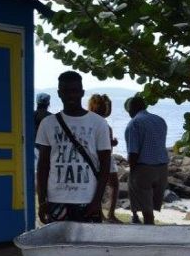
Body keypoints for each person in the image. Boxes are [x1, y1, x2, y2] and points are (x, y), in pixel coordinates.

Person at [36, 71, 112, 223]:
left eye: (75, 91)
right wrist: (42, 201)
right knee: (58, 245)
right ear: (59, 93)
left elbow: (105, 166)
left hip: (88, 199)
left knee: (88, 246)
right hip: (57, 200)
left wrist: (97, 201)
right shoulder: (48, 123)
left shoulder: (98, 123)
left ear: (82, 92)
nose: (70, 96)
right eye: (65, 91)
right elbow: (43, 166)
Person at [124, 95, 170, 225]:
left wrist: (132, 171)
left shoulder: (134, 123)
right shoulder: (160, 120)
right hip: (163, 168)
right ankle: (136, 218)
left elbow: (133, 152)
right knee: (150, 204)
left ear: (132, 109)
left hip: (145, 168)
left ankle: (143, 224)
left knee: (146, 209)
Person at [87, 93, 122, 223]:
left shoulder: (91, 121)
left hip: (96, 158)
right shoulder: (102, 123)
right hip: (105, 158)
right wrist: (113, 143)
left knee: (99, 186)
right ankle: (109, 214)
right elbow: (104, 144)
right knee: (114, 185)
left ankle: (102, 213)